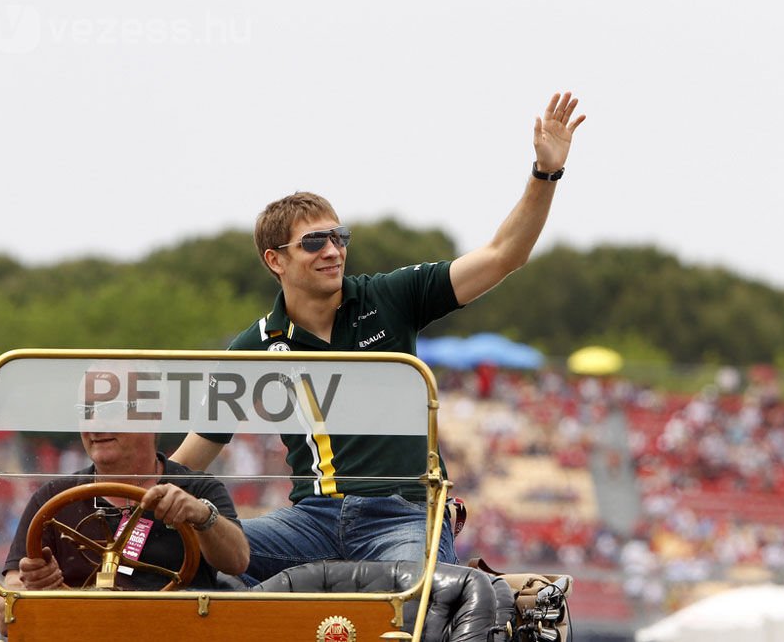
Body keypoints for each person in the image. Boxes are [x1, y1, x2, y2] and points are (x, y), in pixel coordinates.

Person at [171, 91, 586, 581]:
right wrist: (125, 500)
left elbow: (503, 256)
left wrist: (545, 174)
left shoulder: (391, 296)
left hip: (402, 515)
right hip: (309, 520)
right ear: (274, 260)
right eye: (314, 242)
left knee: (413, 599)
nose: (333, 251)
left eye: (339, 237)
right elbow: (189, 461)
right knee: (190, 556)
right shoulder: (255, 346)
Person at [0, 429, 250, 636]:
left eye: (111, 412)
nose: (96, 426)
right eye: (88, 411)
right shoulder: (52, 499)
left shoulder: (197, 489)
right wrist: (32, 593)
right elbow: (5, 614)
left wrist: (203, 516)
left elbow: (237, 560)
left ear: (152, 417)